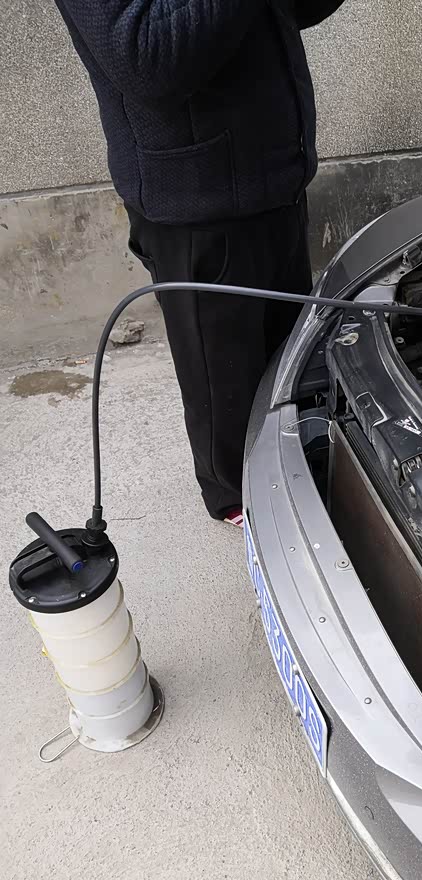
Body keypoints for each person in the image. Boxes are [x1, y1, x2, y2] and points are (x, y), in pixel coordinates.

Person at [53, 0, 347, 525]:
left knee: (289, 358)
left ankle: (295, 465)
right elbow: (145, 57)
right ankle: (239, 498)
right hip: (196, 202)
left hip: (274, 175)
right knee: (223, 382)